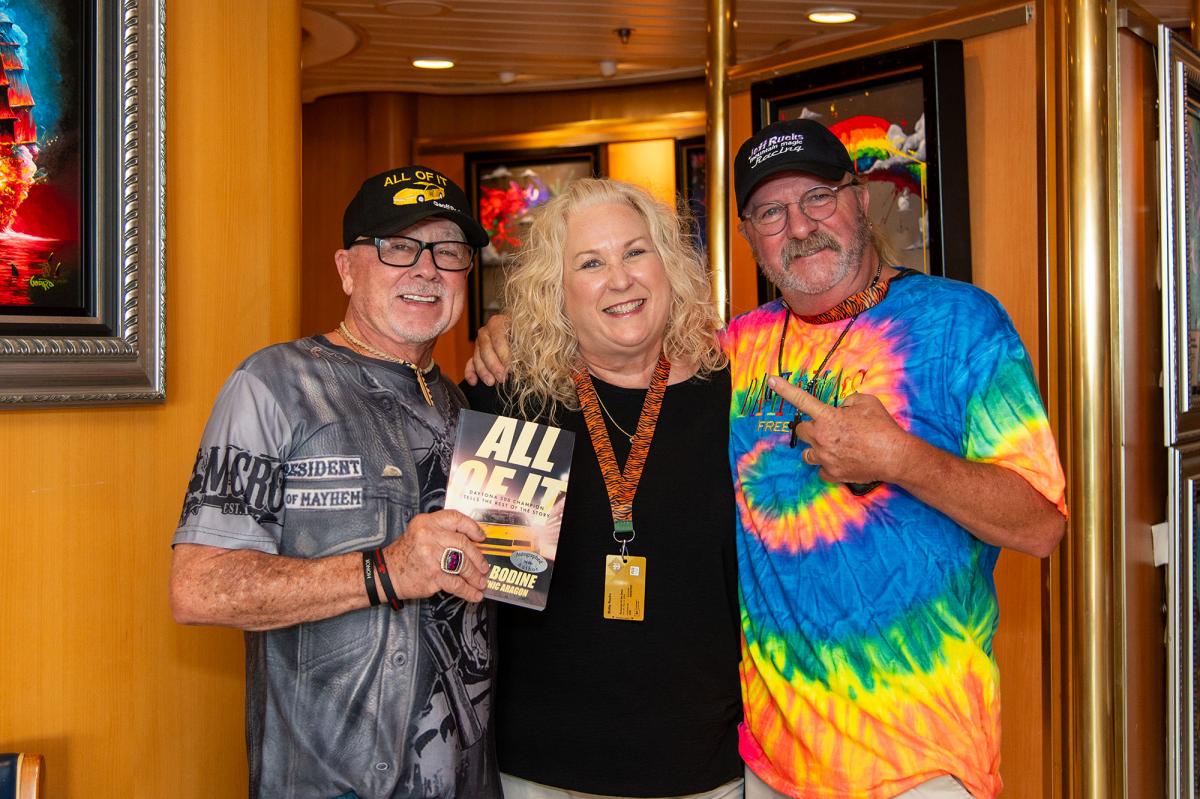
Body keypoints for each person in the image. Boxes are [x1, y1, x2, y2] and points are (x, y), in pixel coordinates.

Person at [467, 120, 1067, 799]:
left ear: (860, 199)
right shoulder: (735, 351)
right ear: (749, 236)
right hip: (762, 764)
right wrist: (507, 333)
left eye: (818, 197)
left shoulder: (958, 323)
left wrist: (899, 456)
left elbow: (1042, 526)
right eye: (771, 212)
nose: (800, 226)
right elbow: (487, 588)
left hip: (916, 760)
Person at [170, 165, 500, 799]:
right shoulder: (273, 384)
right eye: (398, 247)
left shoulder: (465, 407)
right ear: (347, 269)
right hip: (331, 785)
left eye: (449, 250)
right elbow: (199, 588)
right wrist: (384, 571)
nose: (427, 269)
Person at [461, 178, 744, 799]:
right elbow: (484, 587)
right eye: (590, 263)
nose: (620, 279)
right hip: (542, 769)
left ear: (669, 265)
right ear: (555, 290)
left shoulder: (734, 397)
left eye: (635, 252)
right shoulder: (511, 402)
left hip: (703, 765)